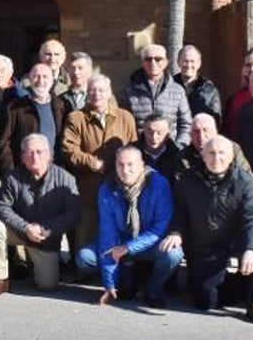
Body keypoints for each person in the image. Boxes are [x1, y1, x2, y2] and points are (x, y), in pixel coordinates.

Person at [161, 136, 253, 324]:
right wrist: (176, 232)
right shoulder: (187, 179)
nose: (216, 158)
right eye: (211, 153)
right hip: (204, 248)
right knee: (207, 303)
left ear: (231, 157)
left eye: (221, 153)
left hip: (234, 242)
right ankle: (226, 284)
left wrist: (251, 249)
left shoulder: (244, 181)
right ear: (202, 156)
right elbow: (180, 212)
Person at [77, 146, 180, 307]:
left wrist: (128, 247)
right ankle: (122, 280)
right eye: (121, 164)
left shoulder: (159, 184)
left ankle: (153, 290)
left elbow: (159, 229)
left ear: (142, 165)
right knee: (85, 258)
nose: (125, 170)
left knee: (173, 254)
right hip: (120, 241)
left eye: (130, 164)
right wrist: (109, 283)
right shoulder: (107, 189)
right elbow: (108, 234)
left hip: (148, 242)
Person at [0, 135, 80, 296]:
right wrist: (25, 227)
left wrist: (44, 229)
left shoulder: (66, 179)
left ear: (49, 154)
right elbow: (1, 207)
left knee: (47, 285)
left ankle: (30, 263)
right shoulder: (11, 178)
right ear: (22, 157)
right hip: (20, 231)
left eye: (39, 152)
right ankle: (0, 279)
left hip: (45, 239)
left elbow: (72, 214)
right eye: (29, 152)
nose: (35, 157)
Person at [61, 73, 138, 258]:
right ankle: (85, 270)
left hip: (120, 187)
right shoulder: (76, 118)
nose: (97, 94)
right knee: (86, 233)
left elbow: (134, 148)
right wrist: (92, 162)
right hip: (88, 187)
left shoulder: (125, 117)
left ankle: (117, 272)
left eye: (101, 90)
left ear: (109, 92)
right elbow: (68, 149)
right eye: (92, 90)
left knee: (118, 231)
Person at [0, 63, 68, 175]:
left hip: (53, 173)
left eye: (45, 77)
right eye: (36, 76)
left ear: (52, 81)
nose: (40, 80)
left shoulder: (61, 106)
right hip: (22, 172)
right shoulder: (15, 108)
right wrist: (10, 170)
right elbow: (4, 142)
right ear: (29, 80)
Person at [124, 44, 192, 146]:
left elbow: (186, 124)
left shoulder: (177, 91)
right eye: (148, 59)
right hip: (140, 152)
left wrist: (179, 147)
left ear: (165, 63)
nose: (153, 63)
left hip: (170, 152)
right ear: (142, 63)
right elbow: (124, 125)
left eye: (158, 59)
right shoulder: (130, 91)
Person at [179, 113, 249, 175]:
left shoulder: (231, 149)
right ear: (190, 135)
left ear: (215, 133)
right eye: (196, 131)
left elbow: (249, 179)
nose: (201, 136)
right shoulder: (183, 157)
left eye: (205, 130)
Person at [174, 44, 222, 126]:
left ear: (199, 64)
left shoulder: (210, 90)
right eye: (185, 61)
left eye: (192, 61)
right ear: (178, 62)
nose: (189, 65)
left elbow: (216, 121)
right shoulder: (169, 86)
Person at [137, 113, 182, 181]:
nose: (154, 137)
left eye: (159, 133)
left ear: (167, 135)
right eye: (150, 132)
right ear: (144, 131)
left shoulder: (177, 155)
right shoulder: (132, 153)